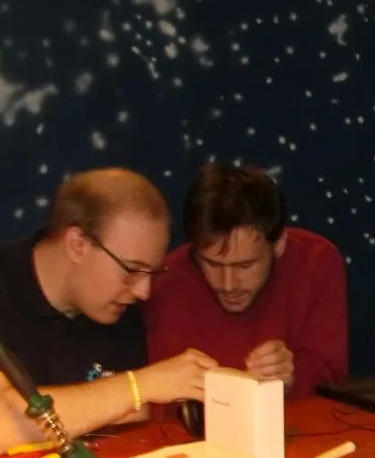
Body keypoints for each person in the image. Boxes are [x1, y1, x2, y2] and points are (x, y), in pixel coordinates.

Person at [0, 168, 217, 456]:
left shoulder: (119, 311)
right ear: (77, 244)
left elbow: (131, 420)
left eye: (151, 274)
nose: (143, 291)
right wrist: (138, 385)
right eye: (131, 270)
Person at [144, 164, 348, 398]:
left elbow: (334, 381)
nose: (228, 285)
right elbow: (153, 399)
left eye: (244, 265)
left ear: (279, 244)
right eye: (212, 264)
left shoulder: (316, 263)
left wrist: (293, 377)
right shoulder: (164, 282)